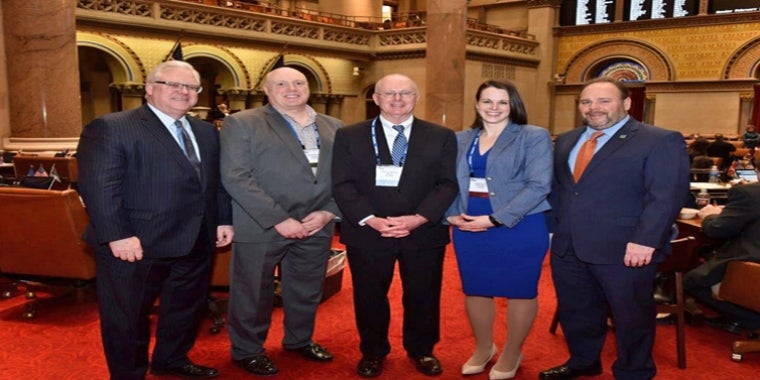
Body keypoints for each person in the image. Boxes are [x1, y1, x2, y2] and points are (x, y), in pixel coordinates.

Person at [76, 60, 234, 379]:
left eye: (190, 87)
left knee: (186, 309)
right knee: (128, 317)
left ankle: (171, 358)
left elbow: (215, 182)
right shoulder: (112, 126)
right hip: (136, 243)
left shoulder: (205, 131)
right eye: (172, 85)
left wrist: (223, 220)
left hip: (196, 240)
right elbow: (99, 186)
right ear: (149, 89)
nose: (182, 92)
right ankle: (129, 374)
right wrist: (117, 234)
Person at [542, 77, 689, 380]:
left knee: (630, 316)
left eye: (603, 101)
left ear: (626, 103)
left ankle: (634, 371)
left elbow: (666, 196)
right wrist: (552, 229)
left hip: (626, 249)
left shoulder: (659, 140)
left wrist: (646, 241)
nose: (593, 108)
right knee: (577, 310)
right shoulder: (567, 140)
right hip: (568, 246)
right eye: (586, 102)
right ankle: (583, 361)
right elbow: (558, 190)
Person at [332, 73, 458, 378]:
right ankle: (373, 352)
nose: (397, 100)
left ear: (416, 98)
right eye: (389, 94)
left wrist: (418, 218)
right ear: (375, 99)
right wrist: (371, 220)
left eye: (405, 94)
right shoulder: (350, 135)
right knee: (369, 296)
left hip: (423, 231)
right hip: (369, 231)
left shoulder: (441, 135)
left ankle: (422, 350)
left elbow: (446, 184)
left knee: (423, 295)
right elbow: (342, 183)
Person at [220, 66, 343, 376]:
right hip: (262, 224)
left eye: (299, 82)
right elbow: (236, 177)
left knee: (306, 289)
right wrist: (279, 219)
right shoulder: (242, 123)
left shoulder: (335, 126)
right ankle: (247, 349)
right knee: (253, 292)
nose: (292, 88)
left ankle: (299, 340)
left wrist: (329, 211)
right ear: (267, 89)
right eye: (282, 83)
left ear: (309, 87)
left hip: (317, 224)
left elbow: (347, 178)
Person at [445, 80, 552, 380]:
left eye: (502, 102)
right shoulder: (459, 139)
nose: (494, 108)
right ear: (477, 104)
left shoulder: (532, 136)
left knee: (520, 289)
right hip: (468, 223)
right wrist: (451, 215)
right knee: (476, 287)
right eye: (487, 101)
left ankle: (512, 351)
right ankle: (484, 347)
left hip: (519, 223)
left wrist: (495, 219)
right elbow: (446, 182)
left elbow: (539, 185)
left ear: (513, 105)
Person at [684, 157, 760, 332]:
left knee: (692, 280)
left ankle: (753, 321)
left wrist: (709, 215)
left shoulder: (749, 193)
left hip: (751, 267)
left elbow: (717, 230)